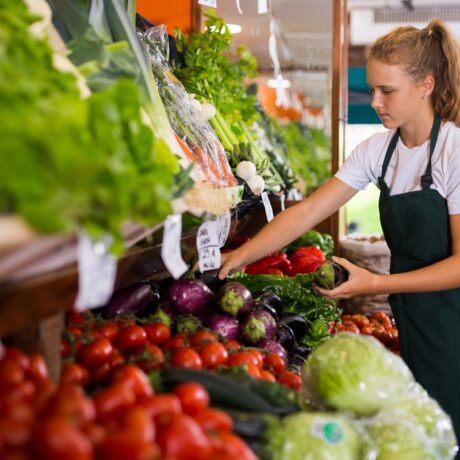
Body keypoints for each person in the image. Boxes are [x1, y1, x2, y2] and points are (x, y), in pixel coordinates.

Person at [219, 19, 460, 444]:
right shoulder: (379, 151)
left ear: (426, 85)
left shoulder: (452, 152)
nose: (376, 101)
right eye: (373, 90)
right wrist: (239, 256)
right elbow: (310, 209)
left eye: (387, 91)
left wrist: (377, 283)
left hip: (453, 317)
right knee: (424, 429)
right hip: (413, 314)